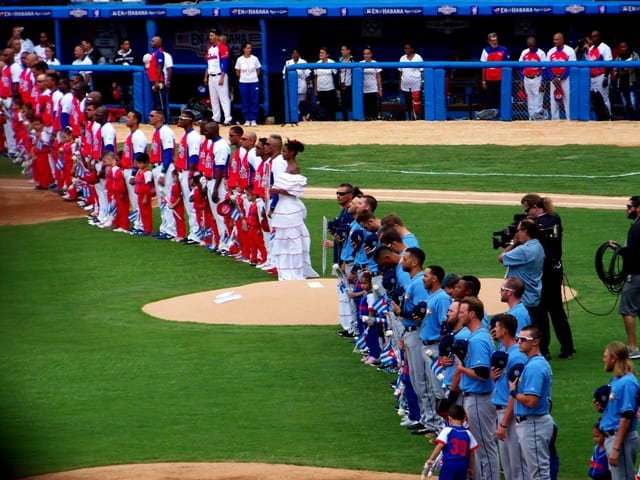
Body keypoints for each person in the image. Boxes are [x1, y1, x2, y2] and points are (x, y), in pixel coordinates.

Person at [521, 193, 574, 359]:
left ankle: (544, 349)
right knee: (557, 311)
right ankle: (567, 348)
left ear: (535, 207)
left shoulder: (539, 225)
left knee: (542, 312)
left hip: (543, 273)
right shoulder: (554, 218)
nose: (526, 214)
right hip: (555, 270)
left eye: (527, 210)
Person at [453, 296, 499, 480]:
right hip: (478, 398)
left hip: (479, 398)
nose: (459, 315)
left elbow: (481, 373)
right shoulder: (479, 335)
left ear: (472, 314)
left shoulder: (478, 340)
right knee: (483, 446)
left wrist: (461, 368)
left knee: (485, 447)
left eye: (462, 312)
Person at [268, 139, 318, 280]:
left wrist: (278, 191)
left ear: (291, 153)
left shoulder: (294, 169)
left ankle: (295, 270)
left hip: (289, 206)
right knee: (284, 238)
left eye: (284, 151)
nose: (283, 154)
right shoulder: (287, 168)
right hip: (283, 206)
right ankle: (285, 268)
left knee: (292, 238)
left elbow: (296, 192)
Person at [509, 325, 554, 480]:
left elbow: (531, 401)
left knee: (539, 474)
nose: (519, 342)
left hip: (534, 423)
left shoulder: (535, 367)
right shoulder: (533, 363)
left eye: (523, 339)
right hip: (531, 423)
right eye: (518, 339)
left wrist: (514, 392)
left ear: (535, 342)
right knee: (534, 472)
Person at [596, 341, 639, 480]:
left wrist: (616, 448)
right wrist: (603, 409)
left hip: (621, 440)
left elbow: (627, 416)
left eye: (605, 356)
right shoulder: (616, 380)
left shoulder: (627, 383)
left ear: (613, 358)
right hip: (614, 438)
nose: (604, 359)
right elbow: (617, 410)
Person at [491, 314, 527, 480]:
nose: (494, 330)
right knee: (507, 464)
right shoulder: (502, 352)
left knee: (516, 464)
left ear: (504, 331)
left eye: (497, 327)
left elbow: (516, 392)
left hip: (510, 413)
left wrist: (504, 423)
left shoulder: (516, 356)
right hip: (501, 411)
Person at [608, 196, 640, 358]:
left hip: (635, 275)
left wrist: (619, 250)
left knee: (627, 310)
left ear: (638, 208)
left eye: (629, 207)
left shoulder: (636, 228)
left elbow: (634, 253)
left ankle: (633, 348)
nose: (627, 210)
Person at [498, 218, 545, 325]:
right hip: (533, 296)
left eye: (519, 230)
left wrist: (513, 243)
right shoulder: (539, 246)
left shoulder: (524, 250)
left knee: (521, 333)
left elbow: (501, 258)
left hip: (524, 300)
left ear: (525, 231)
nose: (517, 233)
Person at [425, 404, 478, 480]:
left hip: (449, 464)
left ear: (449, 418)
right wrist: (471, 468)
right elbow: (472, 453)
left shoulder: (447, 430)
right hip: (463, 465)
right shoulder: (468, 433)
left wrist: (431, 459)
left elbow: (440, 445)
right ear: (463, 419)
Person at [148, 108, 176, 240]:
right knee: (162, 200)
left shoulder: (165, 132)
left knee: (167, 198)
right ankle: (165, 227)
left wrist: (163, 172)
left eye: (152, 115)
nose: (149, 117)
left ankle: (171, 230)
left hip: (164, 168)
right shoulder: (157, 132)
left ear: (159, 118)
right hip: (157, 168)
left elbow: (169, 152)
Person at [175, 110, 201, 244]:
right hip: (183, 173)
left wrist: (190, 176)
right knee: (187, 204)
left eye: (182, 118)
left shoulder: (193, 137)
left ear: (190, 120)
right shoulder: (186, 135)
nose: (179, 120)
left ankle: (196, 235)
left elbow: (194, 158)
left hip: (189, 173)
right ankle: (193, 233)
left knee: (192, 206)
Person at [120, 110, 147, 233]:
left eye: (129, 117)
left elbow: (139, 156)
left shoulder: (138, 136)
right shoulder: (131, 135)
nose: (126, 118)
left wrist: (134, 174)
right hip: (127, 170)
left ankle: (140, 225)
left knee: (137, 200)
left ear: (135, 120)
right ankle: (138, 224)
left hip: (133, 171)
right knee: (133, 199)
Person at [203, 29, 232, 126]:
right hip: (211, 76)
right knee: (213, 99)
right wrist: (206, 77)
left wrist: (222, 76)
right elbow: (208, 63)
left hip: (220, 75)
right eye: (210, 35)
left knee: (224, 98)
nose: (210, 37)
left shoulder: (222, 47)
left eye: (212, 35)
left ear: (217, 36)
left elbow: (225, 62)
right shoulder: (209, 48)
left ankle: (227, 118)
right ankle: (216, 118)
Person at [547, 32, 577, 121]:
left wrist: (561, 77)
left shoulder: (569, 50)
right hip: (554, 80)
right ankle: (555, 120)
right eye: (554, 39)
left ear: (562, 40)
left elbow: (571, 67)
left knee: (567, 100)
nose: (555, 41)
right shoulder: (551, 51)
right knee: (553, 101)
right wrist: (553, 78)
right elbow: (547, 67)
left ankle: (569, 120)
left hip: (565, 79)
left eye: (557, 39)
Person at [586, 31, 613, 120]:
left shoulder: (605, 48)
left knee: (604, 99)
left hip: (601, 76)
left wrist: (606, 77)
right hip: (592, 78)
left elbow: (609, 64)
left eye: (596, 36)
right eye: (592, 37)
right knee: (594, 99)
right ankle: (599, 118)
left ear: (599, 37)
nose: (594, 38)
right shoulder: (590, 49)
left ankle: (608, 118)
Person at [518, 36, 547, 121]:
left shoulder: (541, 53)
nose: (531, 47)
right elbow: (520, 67)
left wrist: (543, 82)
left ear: (535, 44)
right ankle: (531, 120)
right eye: (529, 45)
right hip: (527, 79)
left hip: (537, 78)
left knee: (538, 102)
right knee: (530, 101)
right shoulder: (524, 52)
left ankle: (538, 120)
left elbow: (544, 68)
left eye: (532, 45)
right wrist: (521, 80)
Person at [480, 33, 510, 111]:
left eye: (496, 40)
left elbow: (507, 66)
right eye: (492, 41)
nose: (494, 42)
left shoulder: (504, 49)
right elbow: (483, 66)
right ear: (488, 41)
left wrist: (505, 80)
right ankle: (491, 118)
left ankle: (502, 117)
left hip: (501, 79)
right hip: (489, 80)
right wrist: (483, 81)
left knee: (501, 99)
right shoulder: (485, 50)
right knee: (490, 100)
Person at [235, 42, 261, 127]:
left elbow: (258, 70)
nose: (249, 50)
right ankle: (247, 119)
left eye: (250, 48)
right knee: (245, 100)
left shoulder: (255, 58)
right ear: (244, 49)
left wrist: (252, 77)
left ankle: (253, 119)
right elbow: (237, 71)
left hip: (254, 82)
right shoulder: (240, 59)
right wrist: (244, 78)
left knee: (254, 100)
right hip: (243, 82)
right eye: (248, 48)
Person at [145, 36, 169, 121]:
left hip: (158, 80)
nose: (151, 43)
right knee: (155, 101)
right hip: (152, 80)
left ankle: (164, 119)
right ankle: (156, 120)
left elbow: (160, 66)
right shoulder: (152, 53)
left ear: (158, 43)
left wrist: (157, 81)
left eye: (153, 41)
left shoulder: (159, 53)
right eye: (151, 41)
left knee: (161, 101)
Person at [614, 42, 639, 120]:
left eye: (624, 47)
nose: (622, 49)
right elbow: (615, 72)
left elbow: (637, 68)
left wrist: (630, 70)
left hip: (631, 83)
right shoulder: (618, 58)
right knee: (624, 105)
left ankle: (637, 120)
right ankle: (627, 120)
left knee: (633, 103)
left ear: (627, 47)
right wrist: (621, 73)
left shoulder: (634, 56)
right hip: (621, 84)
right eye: (620, 47)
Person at [398, 43, 423, 120]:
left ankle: (418, 118)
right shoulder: (402, 58)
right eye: (405, 48)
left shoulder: (418, 57)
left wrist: (422, 81)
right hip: (405, 84)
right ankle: (410, 118)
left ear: (412, 49)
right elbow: (400, 72)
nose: (407, 50)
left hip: (416, 84)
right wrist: (400, 83)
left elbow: (422, 71)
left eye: (408, 48)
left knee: (417, 103)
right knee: (408, 102)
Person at [112, 39, 137, 110]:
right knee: (121, 98)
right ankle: (123, 113)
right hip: (120, 81)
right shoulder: (117, 56)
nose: (127, 45)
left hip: (131, 81)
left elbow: (138, 66)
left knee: (131, 97)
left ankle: (132, 113)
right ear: (121, 45)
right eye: (125, 44)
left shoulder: (133, 54)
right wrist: (114, 81)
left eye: (128, 44)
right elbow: (113, 70)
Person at [314, 47, 338, 121]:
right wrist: (316, 89)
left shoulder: (332, 62)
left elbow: (336, 75)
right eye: (320, 53)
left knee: (331, 109)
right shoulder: (316, 64)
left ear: (327, 54)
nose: (321, 54)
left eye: (323, 53)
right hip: (320, 90)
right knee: (321, 109)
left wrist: (337, 89)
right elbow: (315, 77)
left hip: (330, 89)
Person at [361, 47, 382, 121]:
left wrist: (380, 89)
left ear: (371, 54)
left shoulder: (375, 63)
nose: (366, 55)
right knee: (366, 108)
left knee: (374, 108)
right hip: (364, 90)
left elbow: (378, 77)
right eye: (364, 54)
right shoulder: (360, 63)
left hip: (373, 89)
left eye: (368, 54)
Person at [338, 44, 354, 120]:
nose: (342, 51)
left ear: (348, 51)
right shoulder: (340, 60)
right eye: (341, 50)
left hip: (350, 84)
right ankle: (345, 119)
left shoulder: (352, 60)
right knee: (343, 102)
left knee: (350, 101)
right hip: (342, 84)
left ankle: (352, 118)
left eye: (344, 50)